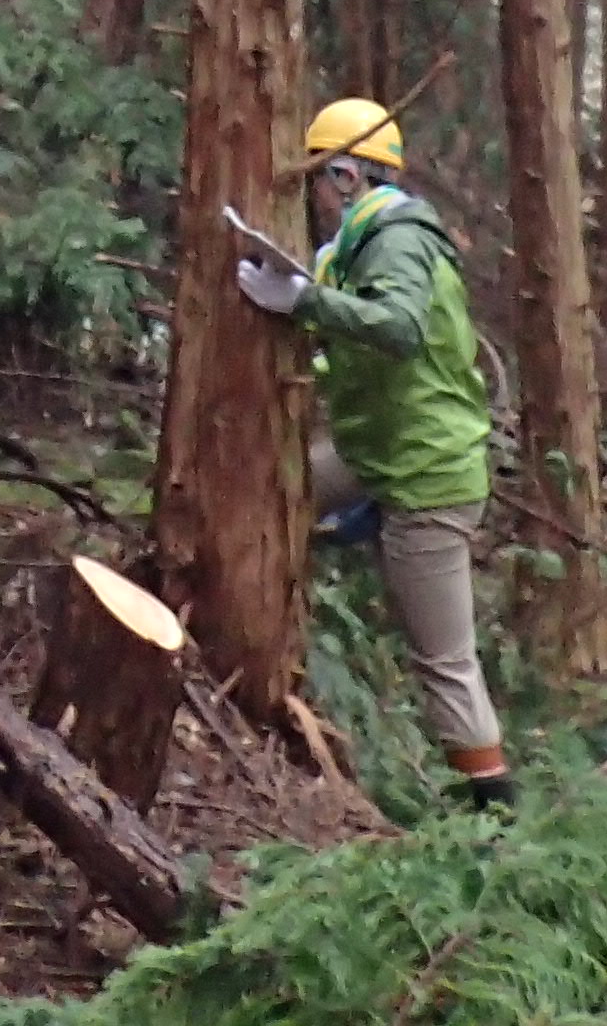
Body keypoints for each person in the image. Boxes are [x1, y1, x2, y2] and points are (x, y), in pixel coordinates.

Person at [230, 100, 511, 810]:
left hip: (426, 476)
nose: (313, 201)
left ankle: (493, 814)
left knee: (444, 661)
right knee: (268, 494)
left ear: (348, 176)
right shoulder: (363, 243)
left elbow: (399, 331)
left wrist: (305, 306)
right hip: (376, 453)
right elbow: (368, 361)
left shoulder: (395, 242)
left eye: (317, 183)